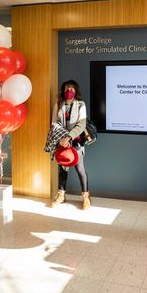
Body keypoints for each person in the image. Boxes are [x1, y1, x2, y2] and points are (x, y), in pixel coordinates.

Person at [49, 80, 91, 210]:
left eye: (72, 88)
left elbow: (81, 124)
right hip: (61, 141)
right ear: (63, 90)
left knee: (80, 169)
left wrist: (68, 137)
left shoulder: (80, 105)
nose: (69, 91)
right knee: (62, 169)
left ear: (76, 91)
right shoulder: (59, 104)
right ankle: (61, 195)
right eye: (67, 88)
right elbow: (54, 123)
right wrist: (62, 138)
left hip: (76, 141)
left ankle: (86, 197)